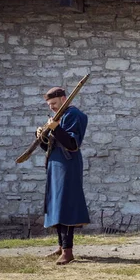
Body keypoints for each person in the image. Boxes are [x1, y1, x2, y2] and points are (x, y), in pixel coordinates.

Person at [37, 87, 89, 265]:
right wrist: (42, 137)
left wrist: (56, 128)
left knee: (65, 204)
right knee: (55, 205)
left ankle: (68, 251)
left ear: (63, 99)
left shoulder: (74, 115)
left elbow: (72, 144)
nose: (51, 107)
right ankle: (61, 246)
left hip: (68, 165)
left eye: (54, 103)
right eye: (49, 104)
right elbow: (51, 146)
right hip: (55, 164)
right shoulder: (58, 116)